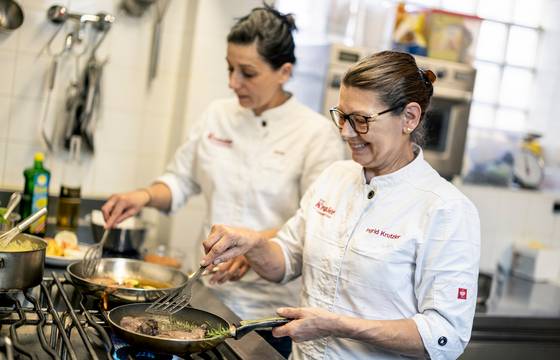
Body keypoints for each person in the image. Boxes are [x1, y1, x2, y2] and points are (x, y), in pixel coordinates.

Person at [201, 51, 481, 359]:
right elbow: (286, 261)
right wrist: (252, 243)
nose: (346, 132)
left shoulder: (446, 209)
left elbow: (446, 335)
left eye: (360, 120)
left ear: (409, 118)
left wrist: (339, 325)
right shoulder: (335, 177)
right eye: (342, 116)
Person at [101, 4, 344, 358]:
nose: (233, 83)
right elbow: (181, 181)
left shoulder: (316, 135)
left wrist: (255, 246)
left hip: (267, 314)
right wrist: (143, 196)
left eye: (247, 72)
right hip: (206, 298)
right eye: (230, 69)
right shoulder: (218, 115)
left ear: (284, 72)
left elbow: (316, 226)